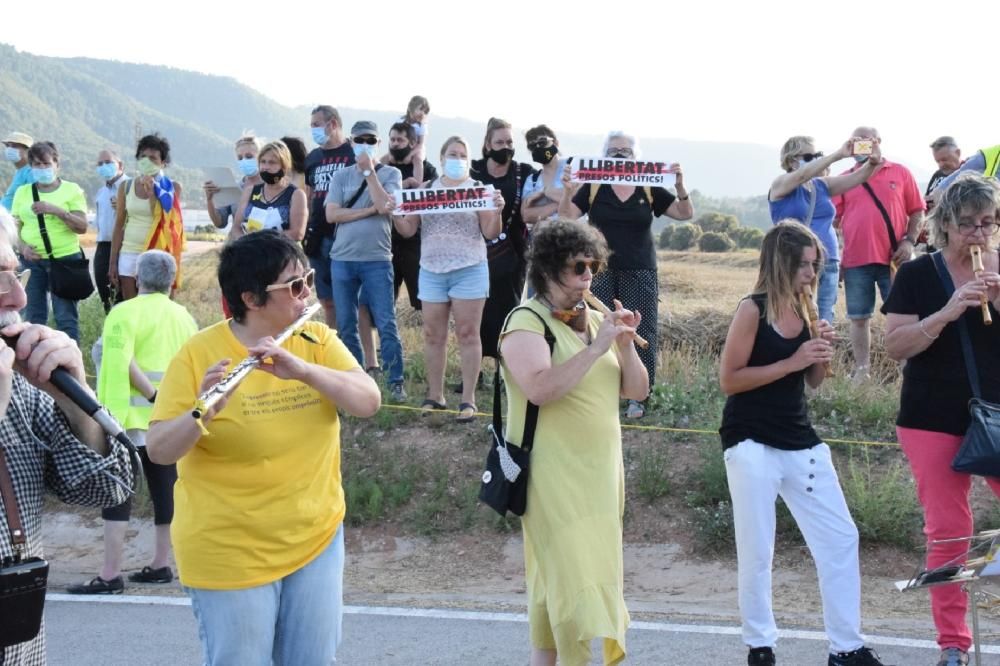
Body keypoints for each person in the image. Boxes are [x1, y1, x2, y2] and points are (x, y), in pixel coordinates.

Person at [147, 231, 381, 665]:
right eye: (294, 286)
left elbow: (368, 401)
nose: (307, 292)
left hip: (314, 537)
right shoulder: (199, 354)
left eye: (308, 278)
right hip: (230, 549)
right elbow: (159, 450)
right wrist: (202, 413)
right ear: (251, 299)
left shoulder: (316, 340)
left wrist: (307, 373)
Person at [719, 221, 885, 666]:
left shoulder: (808, 309)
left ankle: (846, 648)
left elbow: (812, 382)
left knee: (840, 537)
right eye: (805, 265)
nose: (813, 274)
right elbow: (730, 380)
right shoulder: (751, 309)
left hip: (800, 439)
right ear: (781, 263)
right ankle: (760, 644)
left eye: (816, 265)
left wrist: (819, 354)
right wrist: (793, 359)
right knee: (758, 547)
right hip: (750, 440)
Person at [499, 219, 647, 666]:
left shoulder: (597, 318)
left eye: (593, 267)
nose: (588, 277)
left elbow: (637, 391)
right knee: (569, 580)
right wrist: (596, 348)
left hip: (600, 473)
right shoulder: (525, 321)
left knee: (559, 584)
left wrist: (623, 346)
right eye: (578, 267)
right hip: (553, 472)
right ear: (548, 268)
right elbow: (541, 389)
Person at [0, 206, 133, 664]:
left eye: (16, 273)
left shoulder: (22, 387)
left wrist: (77, 399)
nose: (17, 297)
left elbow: (105, 489)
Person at [883, 173, 1000, 666]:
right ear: (946, 224)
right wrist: (947, 312)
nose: (979, 234)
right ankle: (953, 645)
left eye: (988, 224)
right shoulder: (916, 274)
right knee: (949, 530)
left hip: (995, 413)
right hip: (931, 416)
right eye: (969, 224)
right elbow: (894, 347)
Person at [67, 250, 197, 595]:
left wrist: (151, 394)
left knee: (117, 492)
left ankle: (110, 574)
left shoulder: (123, 313)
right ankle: (161, 563)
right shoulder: (184, 317)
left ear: (138, 278)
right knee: (165, 489)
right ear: (171, 281)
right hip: (168, 421)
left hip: (128, 419)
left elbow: (119, 360)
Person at [558, 130, 693, 419]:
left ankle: (638, 396)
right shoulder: (595, 185)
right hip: (599, 269)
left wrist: (680, 186)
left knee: (640, 330)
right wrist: (568, 190)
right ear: (604, 154)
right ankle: (599, 387)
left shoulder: (649, 185)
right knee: (597, 326)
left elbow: (684, 213)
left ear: (636, 157)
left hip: (640, 268)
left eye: (626, 151)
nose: (619, 155)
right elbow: (567, 215)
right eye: (614, 150)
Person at [393, 136, 502, 421]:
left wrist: (497, 211)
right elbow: (407, 230)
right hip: (431, 269)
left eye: (462, 155)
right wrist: (394, 211)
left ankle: (468, 400)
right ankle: (435, 395)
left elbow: (490, 232)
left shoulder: (478, 190)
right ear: (441, 159)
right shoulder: (427, 189)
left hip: (470, 268)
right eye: (452, 154)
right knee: (433, 335)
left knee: (468, 333)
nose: (457, 159)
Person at [832, 126, 925, 381]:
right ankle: (862, 371)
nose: (861, 146)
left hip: (894, 259)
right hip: (855, 260)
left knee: (903, 316)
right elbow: (832, 221)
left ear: (878, 141)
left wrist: (909, 241)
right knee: (858, 318)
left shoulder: (900, 172)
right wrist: (836, 258)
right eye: (856, 141)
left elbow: (918, 210)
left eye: (866, 141)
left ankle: (909, 371)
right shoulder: (845, 178)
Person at [325, 120, 407, 402]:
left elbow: (387, 206)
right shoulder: (340, 177)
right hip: (342, 259)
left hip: (378, 259)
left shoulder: (391, 173)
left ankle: (395, 381)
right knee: (346, 323)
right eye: (360, 139)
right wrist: (369, 210)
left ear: (378, 144)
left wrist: (370, 173)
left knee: (386, 322)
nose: (365, 144)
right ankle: (357, 378)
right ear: (351, 141)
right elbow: (332, 215)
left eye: (371, 140)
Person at [769, 136, 883, 323]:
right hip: (794, 261)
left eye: (818, 155)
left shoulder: (821, 185)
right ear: (791, 160)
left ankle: (822, 351)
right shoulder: (781, 184)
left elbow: (857, 178)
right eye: (808, 157)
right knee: (794, 314)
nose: (816, 159)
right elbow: (801, 176)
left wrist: (872, 163)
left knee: (824, 318)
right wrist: (838, 154)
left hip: (828, 260)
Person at [471, 118, 537, 378]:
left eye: (509, 142)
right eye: (499, 142)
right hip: (474, 251)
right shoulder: (473, 171)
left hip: (513, 254)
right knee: (475, 312)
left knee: (508, 310)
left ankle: (505, 369)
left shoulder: (524, 171)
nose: (506, 147)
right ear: (487, 145)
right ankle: (474, 371)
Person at [9, 141, 89, 342]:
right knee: (33, 318)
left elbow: (82, 227)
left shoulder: (72, 190)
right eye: (36, 164)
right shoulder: (23, 192)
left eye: (46, 163)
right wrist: (23, 247)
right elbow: (15, 228)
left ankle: (70, 367)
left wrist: (57, 211)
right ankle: (34, 368)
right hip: (31, 261)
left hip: (64, 260)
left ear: (56, 164)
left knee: (65, 318)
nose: (42, 168)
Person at [110, 133, 185, 301]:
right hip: (130, 252)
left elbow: (167, 221)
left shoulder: (171, 188)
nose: (147, 161)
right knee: (132, 306)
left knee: (160, 306)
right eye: (143, 157)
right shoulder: (126, 186)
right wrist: (112, 262)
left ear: (163, 163)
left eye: (153, 158)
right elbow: (119, 224)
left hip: (159, 253)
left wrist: (152, 194)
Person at [305, 105, 355, 328]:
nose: (313, 130)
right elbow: (309, 194)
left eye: (316, 125)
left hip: (346, 235)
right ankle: (333, 345)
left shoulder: (352, 153)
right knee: (327, 300)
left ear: (333, 124)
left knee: (352, 299)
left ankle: (357, 350)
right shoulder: (313, 157)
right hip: (318, 236)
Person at [385, 121, 438, 311]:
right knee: (382, 305)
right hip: (386, 243)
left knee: (425, 304)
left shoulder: (428, 170)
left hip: (416, 245)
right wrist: (403, 186)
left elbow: (434, 202)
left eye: (400, 140)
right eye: (392, 139)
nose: (395, 144)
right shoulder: (382, 169)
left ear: (413, 143)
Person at [230, 140, 307, 242]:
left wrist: (260, 240)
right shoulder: (250, 191)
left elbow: (297, 233)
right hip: (250, 253)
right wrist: (246, 242)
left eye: (272, 162)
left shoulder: (296, 195)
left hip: (281, 254)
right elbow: (236, 228)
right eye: (263, 162)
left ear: (284, 166)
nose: (266, 167)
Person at [92, 148, 129, 313]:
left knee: (123, 297)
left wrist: (125, 208)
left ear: (120, 165)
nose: (103, 166)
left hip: (125, 246)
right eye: (100, 163)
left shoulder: (130, 187)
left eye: (108, 162)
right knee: (106, 297)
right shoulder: (101, 192)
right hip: (103, 247)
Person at [204, 133, 263, 230]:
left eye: (249, 156)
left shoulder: (271, 186)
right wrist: (210, 200)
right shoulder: (233, 187)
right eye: (240, 158)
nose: (244, 161)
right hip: (239, 242)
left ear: (260, 156)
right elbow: (220, 222)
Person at [521, 124, 571, 231]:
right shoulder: (532, 180)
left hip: (572, 239)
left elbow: (577, 201)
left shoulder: (573, 167)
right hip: (543, 242)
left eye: (542, 142)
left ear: (555, 142)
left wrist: (546, 192)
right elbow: (526, 215)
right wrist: (558, 204)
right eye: (532, 146)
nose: (537, 148)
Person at [382, 95, 431, 187]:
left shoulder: (422, 126)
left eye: (425, 111)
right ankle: (378, 176)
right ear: (411, 108)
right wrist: (391, 153)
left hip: (417, 148)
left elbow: (421, 144)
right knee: (385, 158)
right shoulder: (401, 120)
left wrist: (410, 154)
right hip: (402, 145)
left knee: (418, 160)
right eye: (420, 109)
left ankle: (417, 182)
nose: (422, 113)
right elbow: (394, 135)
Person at [2, 131, 34, 212]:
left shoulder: (31, 172)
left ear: (28, 150)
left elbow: (33, 201)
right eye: (8, 145)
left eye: (14, 146)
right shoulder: (20, 171)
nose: (9, 149)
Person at [926, 137, 962, 201]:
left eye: (944, 160)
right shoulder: (937, 174)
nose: (941, 165)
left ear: (958, 153)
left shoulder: (971, 174)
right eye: (937, 161)